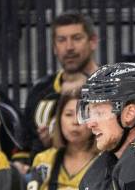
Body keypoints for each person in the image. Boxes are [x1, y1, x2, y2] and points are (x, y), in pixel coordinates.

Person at [20, 11, 99, 159]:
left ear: (93, 41)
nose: (69, 47)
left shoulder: (111, 86)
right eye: (61, 40)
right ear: (55, 47)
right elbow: (25, 147)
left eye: (76, 38)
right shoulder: (40, 90)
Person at [20, 89, 98, 190]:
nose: (75, 122)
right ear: (58, 119)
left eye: (83, 114)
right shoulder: (43, 160)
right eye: (68, 114)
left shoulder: (107, 163)